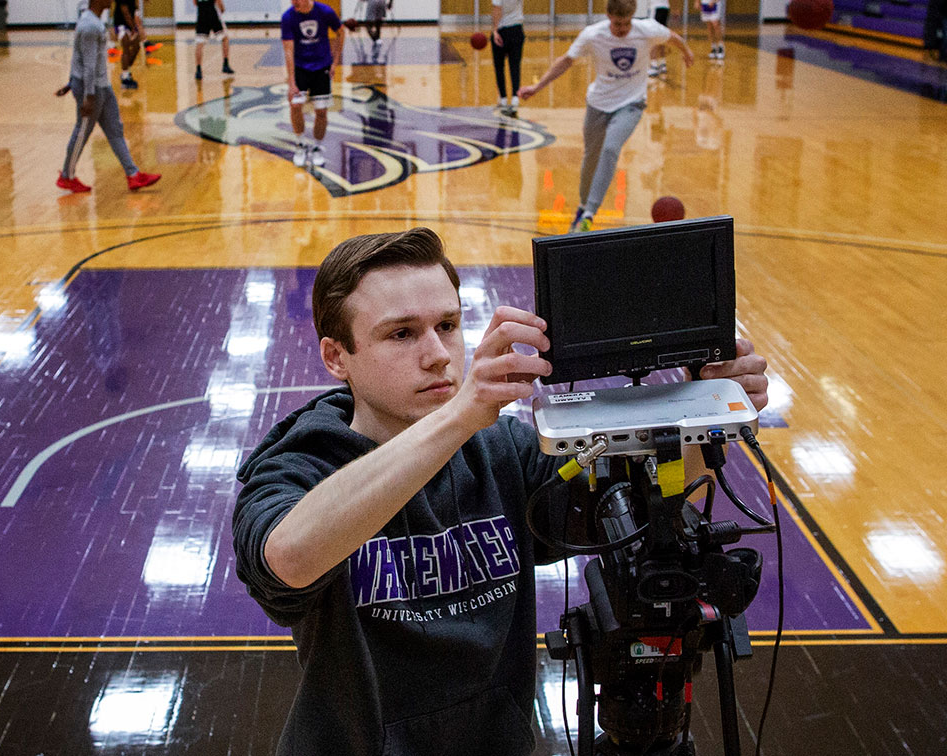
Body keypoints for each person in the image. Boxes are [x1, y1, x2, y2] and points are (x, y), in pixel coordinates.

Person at [233, 227, 773, 756]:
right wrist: (463, 414)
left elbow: (614, 516)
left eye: (447, 325)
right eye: (401, 334)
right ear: (335, 357)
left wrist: (706, 413)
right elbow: (287, 559)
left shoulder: (501, 450)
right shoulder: (299, 463)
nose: (438, 354)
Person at [517, 0, 691, 232]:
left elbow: (673, 37)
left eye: (627, 22)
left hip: (631, 104)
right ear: (608, 16)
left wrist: (687, 52)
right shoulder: (593, 35)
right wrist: (537, 86)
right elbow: (566, 61)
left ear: (633, 17)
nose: (622, 29)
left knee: (611, 149)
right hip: (598, 104)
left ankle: (589, 213)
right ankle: (583, 205)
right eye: (617, 23)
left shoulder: (646, 29)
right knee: (591, 156)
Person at [54, 0, 161, 194]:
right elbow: (89, 64)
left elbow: (80, 58)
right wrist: (87, 95)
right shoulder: (90, 26)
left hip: (100, 85)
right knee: (82, 131)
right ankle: (67, 176)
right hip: (91, 88)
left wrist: (70, 83)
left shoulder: (92, 21)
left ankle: (133, 174)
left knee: (115, 130)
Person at [280, 0, 344, 167]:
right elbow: (288, 51)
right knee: (295, 106)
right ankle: (300, 145)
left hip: (321, 67)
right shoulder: (288, 17)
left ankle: (317, 147)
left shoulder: (324, 12)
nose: (294, 2)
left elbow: (340, 32)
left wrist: (335, 61)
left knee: (321, 112)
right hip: (300, 68)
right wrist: (291, 82)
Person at [488, 0, 527, 116]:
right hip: (517, 29)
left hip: (503, 29)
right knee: (515, 65)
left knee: (499, 66)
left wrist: (495, 29)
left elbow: (497, 9)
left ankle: (503, 99)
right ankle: (515, 99)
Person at [192, 0, 233, 80]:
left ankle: (198, 70)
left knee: (199, 43)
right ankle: (225, 64)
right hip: (212, 13)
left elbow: (195, 2)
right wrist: (222, 8)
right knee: (225, 38)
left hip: (201, 15)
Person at [637, 0, 675, 77]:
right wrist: (676, 8)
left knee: (652, 36)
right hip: (665, 7)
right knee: (662, 34)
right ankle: (662, 63)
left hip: (655, 8)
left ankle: (653, 65)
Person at [114, 0, 145, 89]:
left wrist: (137, 25)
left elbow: (133, 9)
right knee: (126, 47)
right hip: (121, 23)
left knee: (137, 46)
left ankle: (126, 69)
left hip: (130, 23)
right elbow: (125, 11)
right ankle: (125, 78)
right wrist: (132, 28)